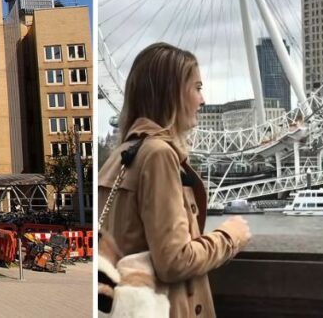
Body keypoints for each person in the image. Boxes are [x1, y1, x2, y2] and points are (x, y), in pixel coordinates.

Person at [97, 42, 251, 318]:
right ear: (173, 93)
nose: (202, 100)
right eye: (197, 88)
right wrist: (231, 237)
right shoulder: (158, 155)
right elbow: (174, 260)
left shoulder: (119, 156)